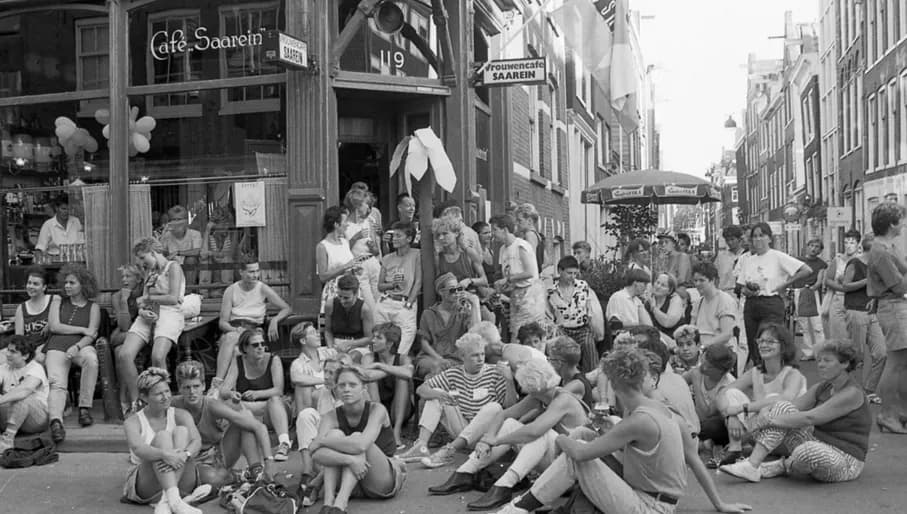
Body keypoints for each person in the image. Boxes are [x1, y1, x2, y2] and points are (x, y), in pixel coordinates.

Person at [495, 348, 751, 514]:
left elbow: (581, 455)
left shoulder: (638, 419)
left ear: (615, 384)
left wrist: (558, 437)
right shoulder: (660, 410)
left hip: (650, 507)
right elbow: (674, 456)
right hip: (657, 496)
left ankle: (519, 508)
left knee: (577, 453)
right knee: (584, 437)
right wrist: (720, 504)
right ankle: (529, 503)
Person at [428, 358, 589, 511]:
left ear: (534, 386)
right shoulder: (542, 396)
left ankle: (505, 484)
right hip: (556, 459)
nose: (524, 389)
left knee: (541, 434)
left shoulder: (562, 400)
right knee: (511, 423)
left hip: (570, 469)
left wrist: (497, 440)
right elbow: (503, 415)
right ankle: (466, 472)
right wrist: (487, 439)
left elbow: (534, 431)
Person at [720, 340, 871, 484]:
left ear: (845, 363)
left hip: (846, 459)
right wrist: (767, 411)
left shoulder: (852, 393)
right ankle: (752, 465)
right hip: (819, 443)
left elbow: (811, 418)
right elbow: (791, 406)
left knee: (807, 451)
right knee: (782, 407)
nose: (820, 364)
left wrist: (769, 420)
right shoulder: (823, 387)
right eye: (819, 360)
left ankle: (783, 465)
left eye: (827, 360)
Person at [399, 332, 510, 465]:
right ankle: (421, 446)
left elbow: (510, 405)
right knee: (436, 393)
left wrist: (509, 381)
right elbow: (421, 389)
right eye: (475, 355)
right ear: (462, 356)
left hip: (486, 436)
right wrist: (439, 395)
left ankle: (449, 450)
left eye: (482, 354)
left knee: (494, 407)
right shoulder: (454, 373)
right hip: (461, 430)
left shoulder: (495, 372)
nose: (480, 359)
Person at [309, 367, 406, 513]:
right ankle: (328, 503)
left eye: (353, 385)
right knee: (334, 434)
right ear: (336, 389)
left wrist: (322, 441)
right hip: (351, 481)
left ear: (363, 388)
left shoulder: (377, 410)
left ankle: (340, 505)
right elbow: (315, 454)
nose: (347, 389)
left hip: (380, 480)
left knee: (355, 437)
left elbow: (361, 445)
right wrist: (349, 460)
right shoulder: (330, 416)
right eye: (342, 385)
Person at [714, 323, 807, 467]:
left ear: (783, 346)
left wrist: (741, 408)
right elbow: (722, 394)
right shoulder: (755, 372)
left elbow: (785, 398)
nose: (763, 345)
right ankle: (735, 450)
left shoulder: (793, 374)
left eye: (770, 342)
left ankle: (750, 458)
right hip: (759, 431)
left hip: (787, 436)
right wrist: (730, 416)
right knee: (731, 393)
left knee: (772, 400)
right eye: (761, 341)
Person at [171, 360, 276, 487]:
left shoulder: (211, 405)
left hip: (217, 455)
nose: (192, 392)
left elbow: (259, 427)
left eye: (196, 386)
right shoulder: (172, 405)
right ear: (179, 388)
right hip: (190, 459)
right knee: (212, 479)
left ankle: (256, 472)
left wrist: (269, 461)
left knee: (246, 418)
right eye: (187, 387)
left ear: (203, 386)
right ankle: (237, 476)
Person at [118, 238, 186, 414]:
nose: (142, 263)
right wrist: (142, 311)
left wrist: (148, 299)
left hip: (170, 312)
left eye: (143, 257)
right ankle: (138, 400)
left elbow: (173, 298)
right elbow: (142, 301)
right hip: (148, 313)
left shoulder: (173, 267)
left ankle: (164, 401)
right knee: (124, 355)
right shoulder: (150, 271)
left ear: (153, 252)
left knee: (158, 356)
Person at [121, 368, 203, 514]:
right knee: (163, 437)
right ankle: (174, 500)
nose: (165, 397)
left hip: (183, 480)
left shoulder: (181, 415)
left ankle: (169, 500)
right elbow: (138, 449)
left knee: (182, 431)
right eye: (159, 394)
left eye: (167, 391)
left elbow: (197, 441)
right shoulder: (132, 421)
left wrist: (184, 455)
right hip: (148, 485)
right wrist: (165, 455)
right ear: (144, 397)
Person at [735, 222, 811, 368]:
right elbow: (741, 285)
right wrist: (747, 290)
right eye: (755, 236)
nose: (758, 239)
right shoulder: (748, 260)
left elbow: (806, 270)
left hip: (771, 303)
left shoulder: (777, 256)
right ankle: (759, 371)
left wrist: (785, 284)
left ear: (769, 238)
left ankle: (776, 371)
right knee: (754, 343)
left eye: (761, 235)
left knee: (769, 340)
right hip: (751, 304)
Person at [211, 256, 291, 386]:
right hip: (235, 327)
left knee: (230, 339)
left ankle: (217, 384)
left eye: (257, 271)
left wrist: (275, 320)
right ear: (241, 272)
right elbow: (223, 323)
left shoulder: (262, 288)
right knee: (235, 349)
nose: (255, 275)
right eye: (251, 271)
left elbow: (286, 308)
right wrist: (237, 330)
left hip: (254, 329)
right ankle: (228, 388)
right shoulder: (231, 290)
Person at [44, 263, 101, 439]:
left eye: (72, 282)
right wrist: (82, 329)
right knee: (57, 383)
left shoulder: (93, 307)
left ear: (83, 284)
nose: (67, 286)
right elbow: (54, 326)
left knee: (91, 360)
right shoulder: (57, 301)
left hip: (81, 346)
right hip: (56, 345)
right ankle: (56, 421)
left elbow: (92, 334)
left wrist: (77, 346)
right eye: (66, 282)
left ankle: (84, 408)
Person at [865, 202, 907, 433]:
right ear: (892, 224)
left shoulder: (887, 247)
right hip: (893, 306)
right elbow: (899, 285)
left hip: (896, 306)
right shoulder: (881, 251)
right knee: (896, 362)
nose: (903, 224)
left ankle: (899, 411)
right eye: (901, 219)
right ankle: (887, 414)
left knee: (903, 362)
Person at [220, 329, 292, 461]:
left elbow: (278, 390)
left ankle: (284, 443)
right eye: (255, 345)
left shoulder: (273, 359)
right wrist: (232, 393)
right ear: (245, 348)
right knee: (229, 403)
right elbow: (224, 390)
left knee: (274, 400)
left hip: (273, 410)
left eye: (262, 344)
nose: (260, 347)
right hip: (249, 409)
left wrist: (257, 394)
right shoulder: (238, 361)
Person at [294, 356, 349, 507]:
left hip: (342, 450)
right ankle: (308, 473)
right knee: (306, 414)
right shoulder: (321, 393)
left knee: (336, 434)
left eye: (332, 373)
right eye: (325, 371)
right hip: (322, 452)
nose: (326, 376)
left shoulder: (351, 394)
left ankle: (316, 483)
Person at [840, 233, 886, 404]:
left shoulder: (877, 265)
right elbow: (845, 285)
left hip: (872, 312)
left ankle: (869, 390)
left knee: (881, 353)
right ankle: (845, 389)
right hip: (855, 310)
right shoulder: (855, 263)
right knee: (856, 355)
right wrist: (867, 281)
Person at [414, 273, 485, 379]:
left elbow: (475, 335)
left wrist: (475, 305)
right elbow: (424, 343)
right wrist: (439, 359)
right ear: (441, 292)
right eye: (452, 290)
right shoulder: (428, 314)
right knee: (437, 368)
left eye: (459, 289)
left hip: (456, 359)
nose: (456, 293)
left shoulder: (464, 312)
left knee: (438, 374)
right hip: (431, 357)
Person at [355, 323, 413, 449]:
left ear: (389, 343)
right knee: (371, 381)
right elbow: (367, 375)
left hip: (399, 409)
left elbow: (408, 373)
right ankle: (380, 425)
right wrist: (393, 370)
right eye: (374, 337)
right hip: (376, 405)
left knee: (402, 379)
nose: (373, 340)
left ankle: (396, 431)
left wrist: (379, 366)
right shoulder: (368, 357)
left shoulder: (403, 359)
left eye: (378, 338)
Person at [492, 214, 546, 344]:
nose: (493, 234)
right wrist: (501, 286)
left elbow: (530, 272)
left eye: (495, 230)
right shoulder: (503, 249)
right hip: (516, 295)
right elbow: (508, 274)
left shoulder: (521, 246)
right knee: (516, 334)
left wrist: (507, 280)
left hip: (530, 295)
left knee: (526, 335)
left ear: (505, 229)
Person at [547, 255, 603, 372]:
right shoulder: (551, 291)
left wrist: (595, 328)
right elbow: (549, 315)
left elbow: (589, 308)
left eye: (575, 273)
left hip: (582, 328)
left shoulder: (583, 286)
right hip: (563, 330)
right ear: (560, 271)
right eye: (569, 273)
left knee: (589, 346)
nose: (572, 277)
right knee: (564, 353)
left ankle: (592, 377)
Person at [0, 335, 50, 453]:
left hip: (35, 420)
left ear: (25, 355)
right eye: (8, 350)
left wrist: (1, 400)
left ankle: (7, 440)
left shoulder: (35, 368)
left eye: (13, 352)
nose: (8, 354)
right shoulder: (4, 368)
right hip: (10, 415)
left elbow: (24, 390)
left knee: (22, 398)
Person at [317, 205, 369, 313]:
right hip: (335, 290)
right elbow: (322, 276)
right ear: (336, 224)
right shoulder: (322, 246)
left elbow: (349, 265)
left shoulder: (345, 242)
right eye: (345, 221)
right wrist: (345, 267)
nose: (347, 224)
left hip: (351, 287)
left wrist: (355, 269)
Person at [685, 344, 736, 452]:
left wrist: (696, 384)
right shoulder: (700, 371)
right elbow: (677, 384)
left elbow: (705, 416)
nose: (703, 367)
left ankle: (695, 442)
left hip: (718, 426)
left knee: (712, 425)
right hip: (697, 419)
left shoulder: (726, 385)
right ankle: (699, 442)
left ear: (721, 371)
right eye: (703, 361)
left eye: (709, 366)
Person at [289, 321, 339, 415]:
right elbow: (296, 378)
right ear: (303, 341)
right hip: (314, 402)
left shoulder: (330, 353)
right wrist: (326, 380)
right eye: (313, 333)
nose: (318, 334)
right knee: (303, 387)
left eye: (316, 331)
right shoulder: (298, 363)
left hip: (334, 394)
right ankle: (305, 419)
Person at [345, 188, 382, 302]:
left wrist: (373, 247)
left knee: (380, 300)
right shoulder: (345, 225)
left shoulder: (369, 221)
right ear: (358, 205)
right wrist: (356, 237)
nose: (369, 208)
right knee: (367, 302)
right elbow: (343, 251)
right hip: (359, 266)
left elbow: (376, 251)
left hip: (373, 262)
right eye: (367, 204)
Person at [793, 238, 827, 360]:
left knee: (817, 324)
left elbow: (819, 281)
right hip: (799, 292)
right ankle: (808, 352)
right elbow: (793, 275)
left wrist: (812, 288)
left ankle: (821, 352)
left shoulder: (821, 264)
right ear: (807, 247)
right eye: (811, 245)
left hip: (813, 293)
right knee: (804, 325)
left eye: (817, 246)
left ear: (820, 250)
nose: (813, 248)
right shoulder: (798, 261)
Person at [691, 262, 739, 349]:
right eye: (695, 280)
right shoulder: (697, 303)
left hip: (721, 350)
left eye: (701, 280)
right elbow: (691, 331)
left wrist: (703, 346)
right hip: (701, 348)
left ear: (712, 280)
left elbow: (727, 334)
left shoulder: (725, 300)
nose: (697, 284)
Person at [434, 214, 488, 292]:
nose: (441, 238)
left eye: (445, 234)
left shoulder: (468, 253)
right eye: (438, 235)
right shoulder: (438, 257)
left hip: (470, 295)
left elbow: (484, 280)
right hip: (449, 296)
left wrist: (469, 281)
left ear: (456, 233)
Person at [824, 229, 862, 338]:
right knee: (838, 335)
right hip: (839, 300)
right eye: (846, 242)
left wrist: (849, 286)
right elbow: (828, 280)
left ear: (858, 244)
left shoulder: (861, 260)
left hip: (857, 301)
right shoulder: (838, 259)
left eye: (852, 243)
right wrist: (843, 288)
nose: (848, 246)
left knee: (855, 336)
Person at [13, 267, 57, 360]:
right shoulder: (21, 309)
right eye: (29, 283)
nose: (31, 286)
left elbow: (63, 323)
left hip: (51, 348)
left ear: (44, 287)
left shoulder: (55, 300)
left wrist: (51, 323)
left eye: (35, 284)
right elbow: (19, 339)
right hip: (30, 351)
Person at [159, 205, 203, 288]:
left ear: (186, 221)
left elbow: (197, 251)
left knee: (191, 259)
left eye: (179, 219)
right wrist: (164, 233)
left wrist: (177, 253)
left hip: (190, 268)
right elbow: (160, 252)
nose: (177, 222)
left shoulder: (195, 234)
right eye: (174, 219)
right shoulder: (167, 235)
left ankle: (189, 290)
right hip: (173, 267)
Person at [546, 336, 595, 406]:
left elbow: (555, 399)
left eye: (551, 359)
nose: (550, 363)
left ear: (559, 363)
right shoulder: (564, 379)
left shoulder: (577, 384)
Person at [34, 197, 84, 262]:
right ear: (56, 208)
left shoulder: (76, 221)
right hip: (55, 262)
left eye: (69, 209)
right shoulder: (48, 225)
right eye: (63, 209)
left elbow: (83, 244)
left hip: (75, 261)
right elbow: (40, 248)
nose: (66, 212)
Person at [646, 272, 688, 345]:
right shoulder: (648, 300)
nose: (658, 286)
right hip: (656, 341)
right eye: (657, 282)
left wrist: (654, 308)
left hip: (676, 342)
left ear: (670, 290)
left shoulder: (675, 299)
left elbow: (667, 323)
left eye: (663, 285)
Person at [514, 203, 546, 271]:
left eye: (519, 220)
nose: (517, 223)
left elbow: (530, 260)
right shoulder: (538, 235)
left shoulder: (529, 235)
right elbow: (546, 261)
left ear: (529, 221)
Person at [715, 225, 745, 294]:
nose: (730, 242)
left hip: (741, 293)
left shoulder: (746, 255)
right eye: (727, 240)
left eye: (732, 239)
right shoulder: (721, 257)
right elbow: (714, 276)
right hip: (723, 293)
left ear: (739, 239)